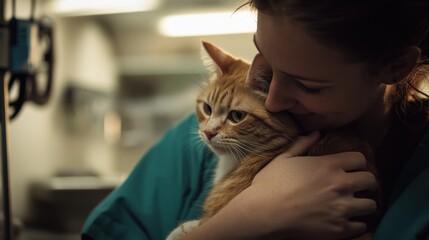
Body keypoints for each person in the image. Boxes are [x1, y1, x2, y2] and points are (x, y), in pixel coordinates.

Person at [81, 0, 429, 239]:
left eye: (308, 86)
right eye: (262, 56)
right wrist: (241, 222)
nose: (274, 99)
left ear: (394, 67)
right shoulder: (191, 142)